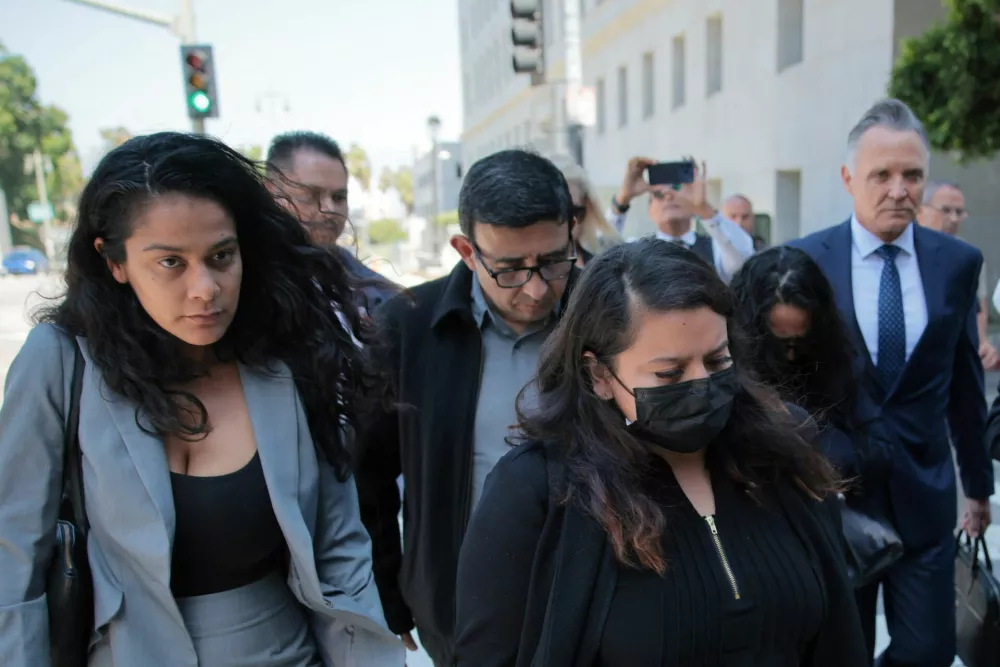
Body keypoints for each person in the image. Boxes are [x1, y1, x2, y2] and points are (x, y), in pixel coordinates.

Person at [0, 132, 404, 667]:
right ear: (114, 262)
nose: (205, 288)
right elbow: (13, 560)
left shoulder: (285, 359)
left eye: (221, 256)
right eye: (170, 263)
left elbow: (340, 550)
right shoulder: (59, 362)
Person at [453, 238, 866, 667]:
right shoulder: (537, 490)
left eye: (718, 361)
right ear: (598, 375)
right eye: (669, 373)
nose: (702, 385)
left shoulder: (783, 450)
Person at [790, 99, 993, 667]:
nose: (900, 189)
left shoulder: (957, 262)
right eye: (882, 174)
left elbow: (964, 383)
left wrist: (978, 487)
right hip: (836, 500)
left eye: (913, 175)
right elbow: (783, 385)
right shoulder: (805, 262)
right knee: (838, 653)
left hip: (924, 499)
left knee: (929, 652)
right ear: (850, 178)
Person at [357, 149, 579, 667]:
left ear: (571, 231)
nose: (536, 288)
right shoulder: (407, 326)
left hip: (586, 593)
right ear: (466, 250)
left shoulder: (607, 316)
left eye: (551, 261)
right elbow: (369, 474)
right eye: (510, 269)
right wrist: (390, 590)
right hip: (458, 606)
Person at [266, 130, 396, 314]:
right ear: (271, 193)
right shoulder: (238, 282)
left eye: (339, 197)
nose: (329, 210)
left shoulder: (376, 296)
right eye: (311, 194)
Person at [609, 156, 754, 281]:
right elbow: (595, 251)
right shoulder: (635, 250)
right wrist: (622, 199)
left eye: (677, 188)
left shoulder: (716, 249)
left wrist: (704, 209)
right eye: (658, 194)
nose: (669, 195)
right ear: (650, 210)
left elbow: (745, 263)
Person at [916, 181, 998, 369]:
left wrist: (983, 344)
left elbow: (977, 307)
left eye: (959, 212)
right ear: (920, 211)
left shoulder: (968, 257)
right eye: (945, 210)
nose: (953, 219)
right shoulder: (900, 253)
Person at [553, 159, 621, 265]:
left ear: (586, 209)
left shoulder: (604, 264)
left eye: (574, 212)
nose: (566, 221)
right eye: (556, 211)